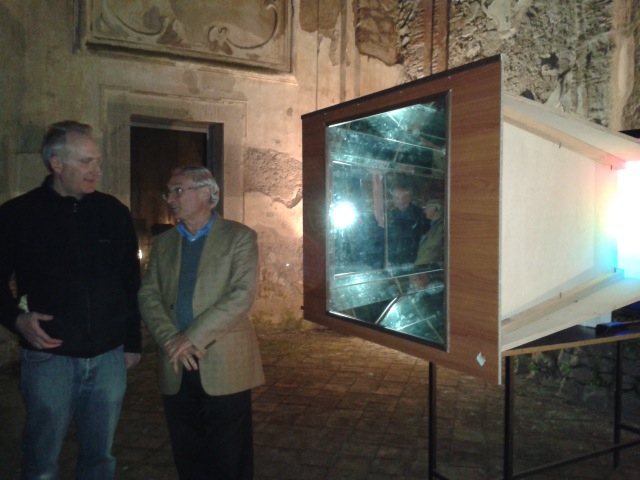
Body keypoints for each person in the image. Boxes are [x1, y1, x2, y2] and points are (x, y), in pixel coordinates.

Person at [0, 120, 142, 479]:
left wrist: (132, 342)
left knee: (101, 459)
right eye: (86, 162)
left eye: (98, 161)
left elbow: (130, 282)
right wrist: (15, 319)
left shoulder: (113, 212)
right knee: (42, 459)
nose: (97, 170)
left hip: (108, 357)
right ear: (56, 163)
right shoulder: (17, 214)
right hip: (50, 359)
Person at [138, 165, 264, 480]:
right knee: (187, 450)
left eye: (178, 190)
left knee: (229, 454)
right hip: (176, 361)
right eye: (169, 192)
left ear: (208, 192)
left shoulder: (239, 237)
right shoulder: (164, 243)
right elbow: (148, 294)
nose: (170, 199)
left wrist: (191, 337)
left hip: (224, 362)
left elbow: (241, 296)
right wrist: (171, 339)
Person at [386, 185, 429, 266]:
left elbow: (423, 238)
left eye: (404, 197)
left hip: (413, 260)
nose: (401, 201)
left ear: (409, 198)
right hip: (393, 259)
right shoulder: (389, 215)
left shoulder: (419, 214)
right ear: (393, 199)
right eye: (397, 198)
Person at [414, 199, 445, 267]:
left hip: (429, 266)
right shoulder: (433, 226)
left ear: (435, 209)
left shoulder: (442, 227)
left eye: (427, 208)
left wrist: (419, 264)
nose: (425, 211)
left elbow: (433, 249)